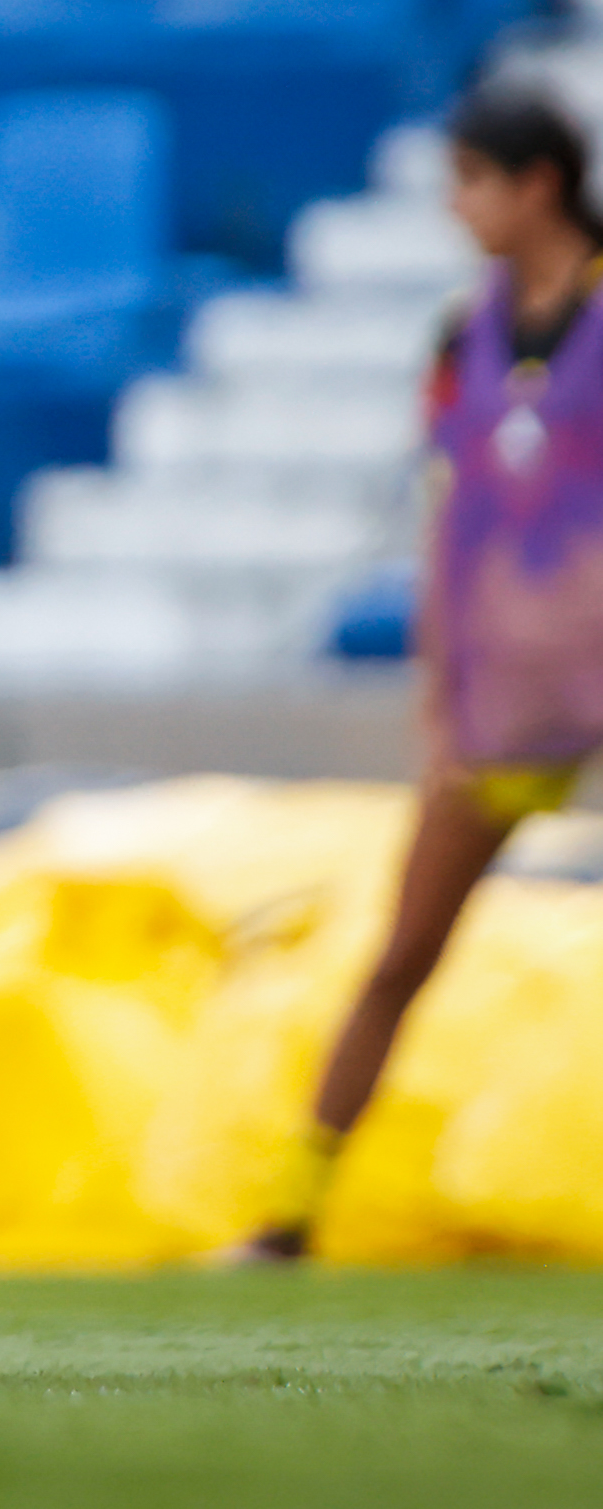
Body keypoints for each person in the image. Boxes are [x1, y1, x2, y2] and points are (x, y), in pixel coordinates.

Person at [244, 82, 603, 1260]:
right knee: (403, 953)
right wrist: (440, 693)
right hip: (504, 699)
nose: (456, 207)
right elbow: (447, 521)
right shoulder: (465, 336)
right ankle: (292, 1210)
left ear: (537, 181)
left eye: (471, 181)